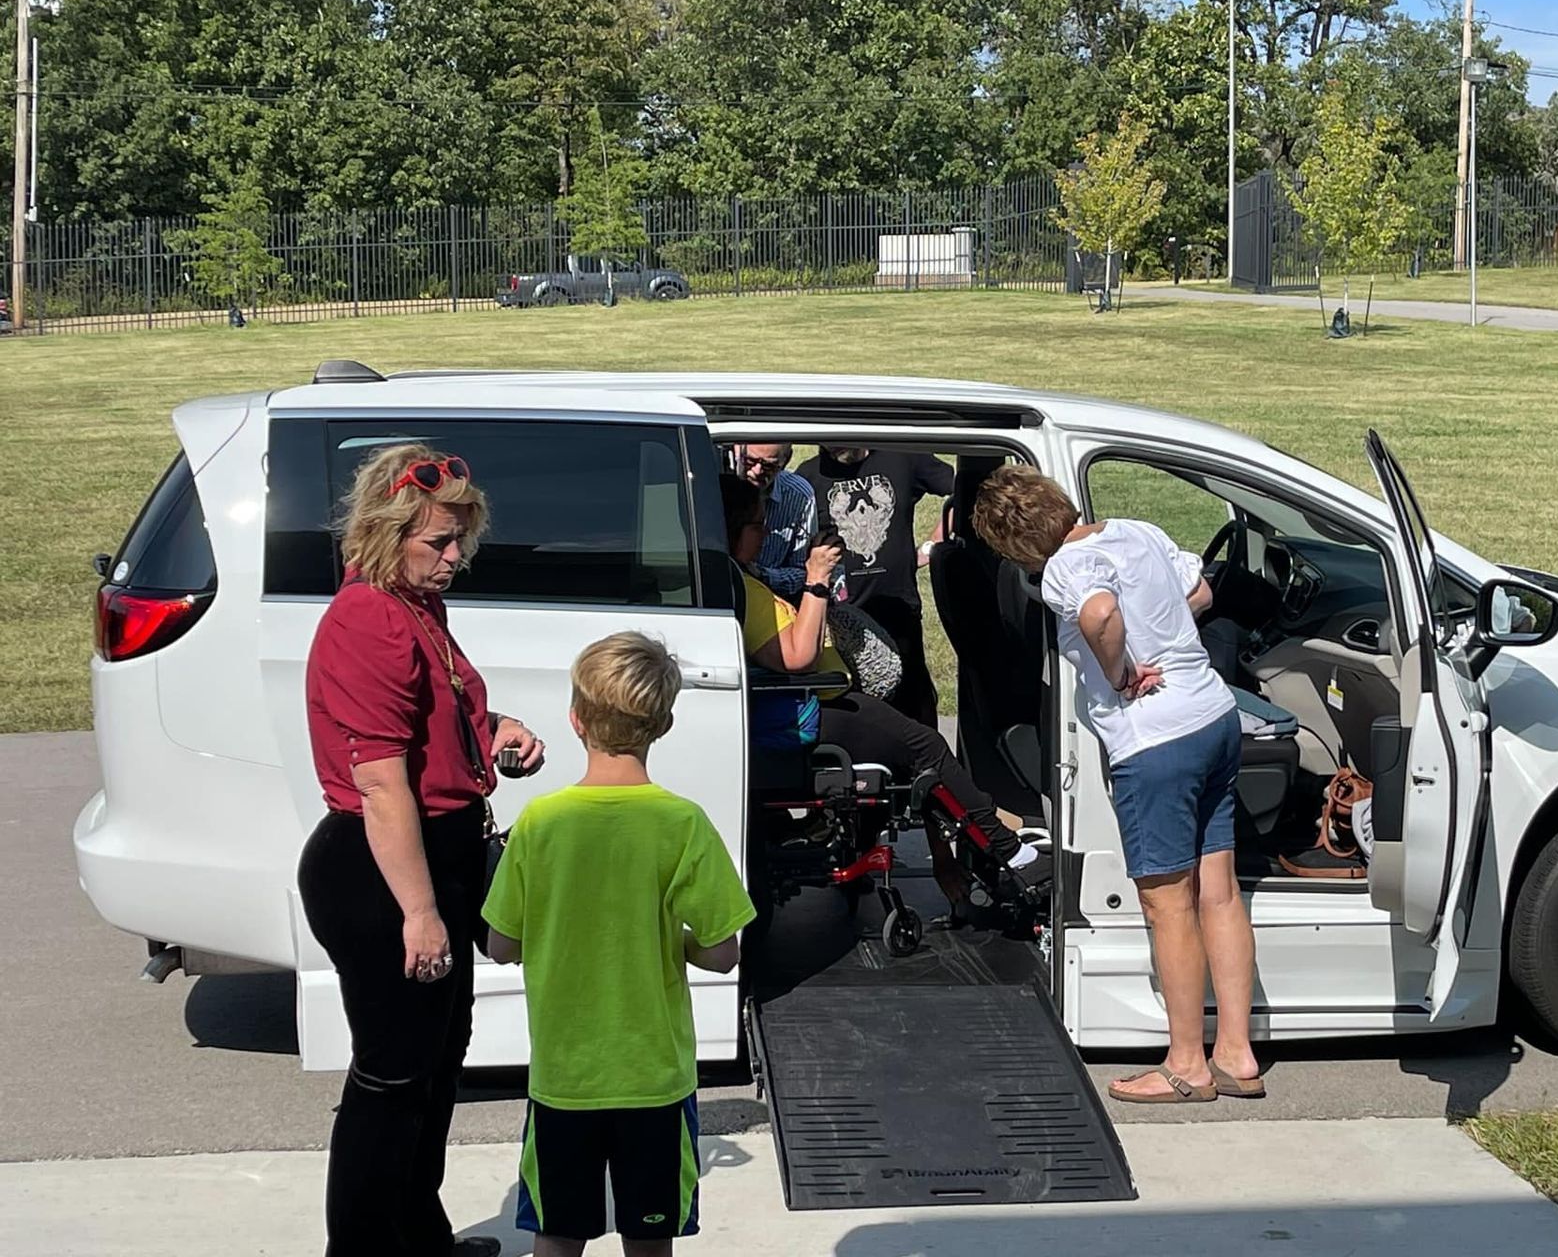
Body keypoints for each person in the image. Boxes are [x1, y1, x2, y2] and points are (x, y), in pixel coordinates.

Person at [298, 445, 546, 1257]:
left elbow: (433, 721)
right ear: (385, 530)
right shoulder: (368, 616)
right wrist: (420, 913)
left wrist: (493, 728)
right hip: (383, 871)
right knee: (393, 1076)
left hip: (436, 853)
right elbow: (380, 785)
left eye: (458, 543)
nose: (452, 558)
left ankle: (418, 1235)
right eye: (437, 542)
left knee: (438, 1064)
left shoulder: (413, 604)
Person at [970, 465, 1262, 1105]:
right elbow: (1201, 592)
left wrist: (1121, 668)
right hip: (1213, 716)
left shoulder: (1063, 570)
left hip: (1156, 741)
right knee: (1219, 889)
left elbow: (1101, 614)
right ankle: (1236, 1052)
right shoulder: (1136, 530)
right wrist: (1164, 633)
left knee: (1167, 902)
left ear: (1013, 542)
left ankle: (1187, 1062)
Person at [485, 631, 756, 1257]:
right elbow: (724, 951)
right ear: (662, 723)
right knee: (649, 1238)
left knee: (557, 1232)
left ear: (576, 719)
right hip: (654, 1078)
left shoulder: (540, 823)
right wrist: (673, 944)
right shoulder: (681, 823)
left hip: (564, 1077)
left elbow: (501, 945)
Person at [722, 473, 1048, 893]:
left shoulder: (739, 576)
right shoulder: (742, 586)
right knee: (926, 747)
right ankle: (1009, 849)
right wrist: (816, 579)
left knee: (915, 755)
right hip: (809, 706)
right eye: (756, 525)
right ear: (734, 530)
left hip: (817, 700)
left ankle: (991, 837)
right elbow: (796, 656)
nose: (765, 532)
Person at [796, 445, 954, 726]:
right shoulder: (808, 477)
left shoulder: (902, 456)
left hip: (898, 609)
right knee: (857, 714)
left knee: (915, 710)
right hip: (842, 622)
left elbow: (962, 491)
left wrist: (932, 546)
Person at [735, 443, 816, 601]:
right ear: (736, 450)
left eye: (769, 466)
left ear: (786, 460)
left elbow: (802, 570)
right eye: (750, 461)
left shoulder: (798, 495)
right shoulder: (713, 484)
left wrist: (761, 575)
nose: (757, 471)